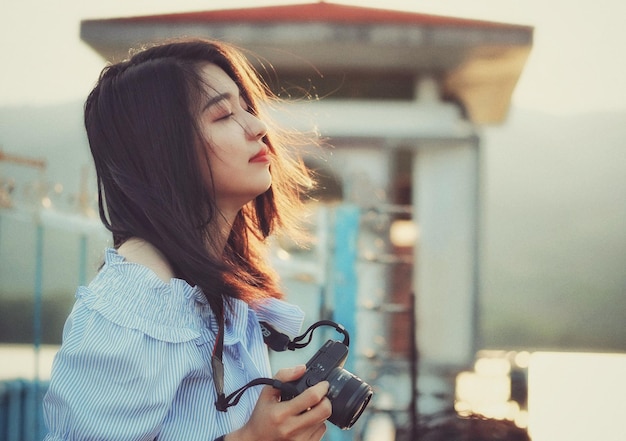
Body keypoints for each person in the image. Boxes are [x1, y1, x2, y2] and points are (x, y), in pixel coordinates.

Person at [43, 38, 332, 441]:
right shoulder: (137, 302)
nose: (258, 126)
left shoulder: (216, 287)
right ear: (166, 151)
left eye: (246, 107)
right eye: (224, 115)